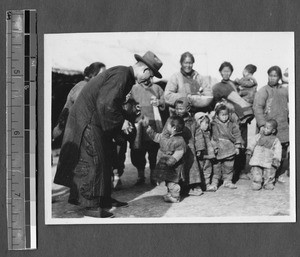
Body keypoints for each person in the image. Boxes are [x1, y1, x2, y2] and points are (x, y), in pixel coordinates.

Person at [54, 51, 163, 218]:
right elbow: (106, 103)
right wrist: (121, 122)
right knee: (93, 161)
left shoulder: (123, 75)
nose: (149, 81)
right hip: (88, 122)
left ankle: (103, 199)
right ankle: (90, 206)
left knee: (105, 159)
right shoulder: (121, 75)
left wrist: (127, 115)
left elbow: (112, 102)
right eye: (150, 76)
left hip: (95, 120)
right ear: (145, 70)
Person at [212, 61, 254, 181]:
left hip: (241, 119)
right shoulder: (217, 87)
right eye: (224, 71)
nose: (226, 73)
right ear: (220, 72)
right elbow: (213, 103)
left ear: (231, 72)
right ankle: (227, 173)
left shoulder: (234, 84)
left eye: (228, 71)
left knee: (241, 143)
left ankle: (240, 171)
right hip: (227, 120)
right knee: (228, 143)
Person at [52, 62, 106, 140]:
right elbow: (80, 114)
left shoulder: (90, 88)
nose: (105, 78)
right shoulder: (82, 87)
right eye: (102, 75)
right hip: (72, 134)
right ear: (93, 75)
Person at [253, 66, 289, 182]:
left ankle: (277, 174)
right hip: (268, 126)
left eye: (275, 76)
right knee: (265, 150)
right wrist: (262, 124)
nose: (272, 78)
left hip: (282, 125)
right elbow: (257, 108)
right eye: (270, 75)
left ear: (279, 77)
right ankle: (264, 175)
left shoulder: (284, 90)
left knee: (281, 151)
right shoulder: (263, 91)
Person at [129, 78, 165, 186]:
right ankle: (140, 176)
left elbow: (165, 102)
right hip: (138, 125)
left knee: (153, 151)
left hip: (154, 125)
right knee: (137, 152)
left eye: (149, 76)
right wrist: (133, 108)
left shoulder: (157, 88)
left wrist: (159, 102)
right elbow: (127, 103)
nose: (146, 79)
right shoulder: (133, 89)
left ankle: (154, 176)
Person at [143, 115, 186, 203]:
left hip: (173, 166)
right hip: (164, 163)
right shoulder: (165, 136)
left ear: (173, 128)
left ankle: (175, 197)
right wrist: (148, 128)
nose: (166, 126)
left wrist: (172, 159)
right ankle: (170, 194)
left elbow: (179, 152)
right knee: (167, 180)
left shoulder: (179, 140)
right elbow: (156, 137)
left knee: (173, 182)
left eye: (168, 125)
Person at [171, 97, 205, 196]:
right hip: (177, 149)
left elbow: (198, 135)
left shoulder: (193, 122)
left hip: (190, 150)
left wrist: (199, 148)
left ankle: (193, 186)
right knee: (178, 167)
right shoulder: (172, 120)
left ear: (188, 109)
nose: (178, 111)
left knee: (192, 167)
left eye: (181, 109)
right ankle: (178, 188)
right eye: (176, 108)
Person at [210, 104, 243, 191]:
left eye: (226, 114)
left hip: (229, 149)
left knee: (229, 166)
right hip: (218, 149)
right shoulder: (213, 124)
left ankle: (227, 181)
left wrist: (237, 146)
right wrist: (214, 147)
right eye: (222, 115)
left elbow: (237, 135)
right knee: (216, 168)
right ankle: (214, 182)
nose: (225, 117)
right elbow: (212, 137)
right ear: (217, 115)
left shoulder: (232, 124)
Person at [246, 119, 282, 190]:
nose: (265, 129)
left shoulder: (275, 140)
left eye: (267, 128)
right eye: (264, 127)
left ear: (273, 131)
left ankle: (268, 183)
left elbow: (278, 150)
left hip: (268, 160)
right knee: (256, 172)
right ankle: (256, 183)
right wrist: (249, 149)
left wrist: (276, 159)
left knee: (269, 173)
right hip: (257, 158)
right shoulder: (258, 136)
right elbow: (252, 142)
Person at [194, 112, 215, 190]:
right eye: (204, 123)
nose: (206, 125)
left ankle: (206, 184)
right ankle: (199, 185)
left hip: (208, 155)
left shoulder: (208, 133)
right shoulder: (197, 134)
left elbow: (211, 141)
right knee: (200, 170)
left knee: (208, 170)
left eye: (207, 123)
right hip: (201, 156)